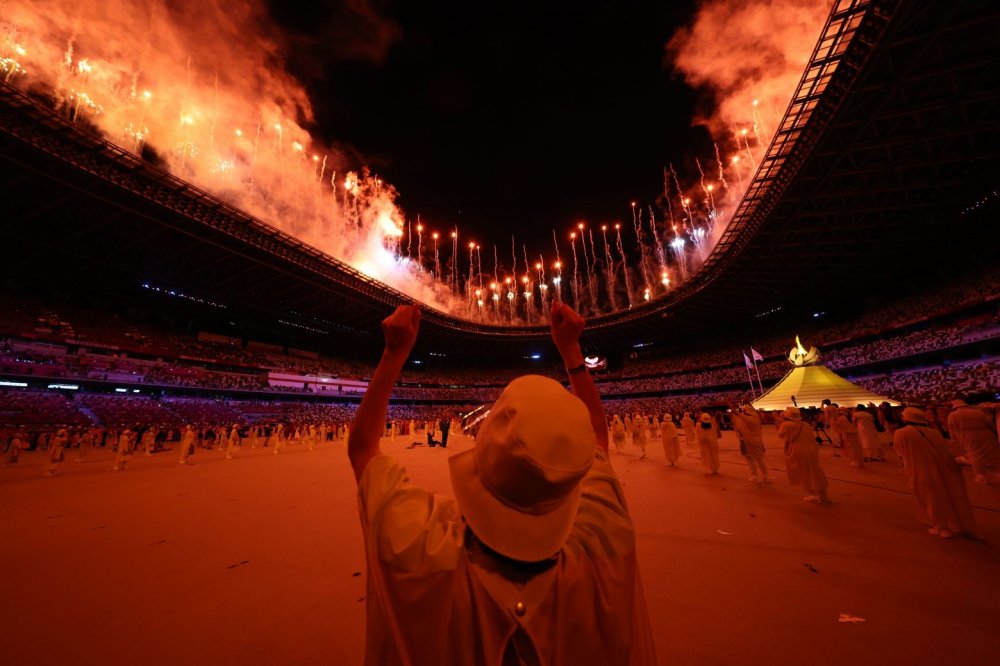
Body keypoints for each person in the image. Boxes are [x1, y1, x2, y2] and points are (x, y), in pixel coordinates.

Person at [348, 301, 656, 665]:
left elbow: (363, 449)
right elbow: (598, 441)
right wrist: (572, 350)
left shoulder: (420, 546)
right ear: (569, 479)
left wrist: (394, 352)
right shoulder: (602, 540)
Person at [894, 407, 978, 539]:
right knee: (943, 496)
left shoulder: (901, 433)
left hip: (917, 469)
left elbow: (901, 454)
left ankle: (941, 526)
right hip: (940, 468)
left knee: (928, 498)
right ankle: (953, 523)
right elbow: (944, 452)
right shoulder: (934, 432)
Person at [777, 407, 829, 503]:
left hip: (797, 451)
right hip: (811, 450)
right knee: (815, 471)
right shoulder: (806, 424)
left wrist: (780, 421)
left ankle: (812, 494)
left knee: (804, 473)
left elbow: (780, 435)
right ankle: (822, 495)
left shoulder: (786, 425)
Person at [946, 400, 1000, 484]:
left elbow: (952, 430)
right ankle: (998, 472)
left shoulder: (952, 416)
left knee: (974, 456)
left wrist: (956, 438)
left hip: (968, 437)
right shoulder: (977, 412)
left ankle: (981, 476)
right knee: (994, 454)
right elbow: (989, 424)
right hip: (986, 434)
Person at [731, 405, 770, 484]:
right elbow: (755, 412)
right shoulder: (756, 417)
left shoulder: (745, 418)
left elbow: (735, 412)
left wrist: (729, 403)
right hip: (758, 442)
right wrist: (749, 404)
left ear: (745, 411)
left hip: (746, 441)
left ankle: (754, 476)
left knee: (749, 459)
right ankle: (766, 476)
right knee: (760, 460)